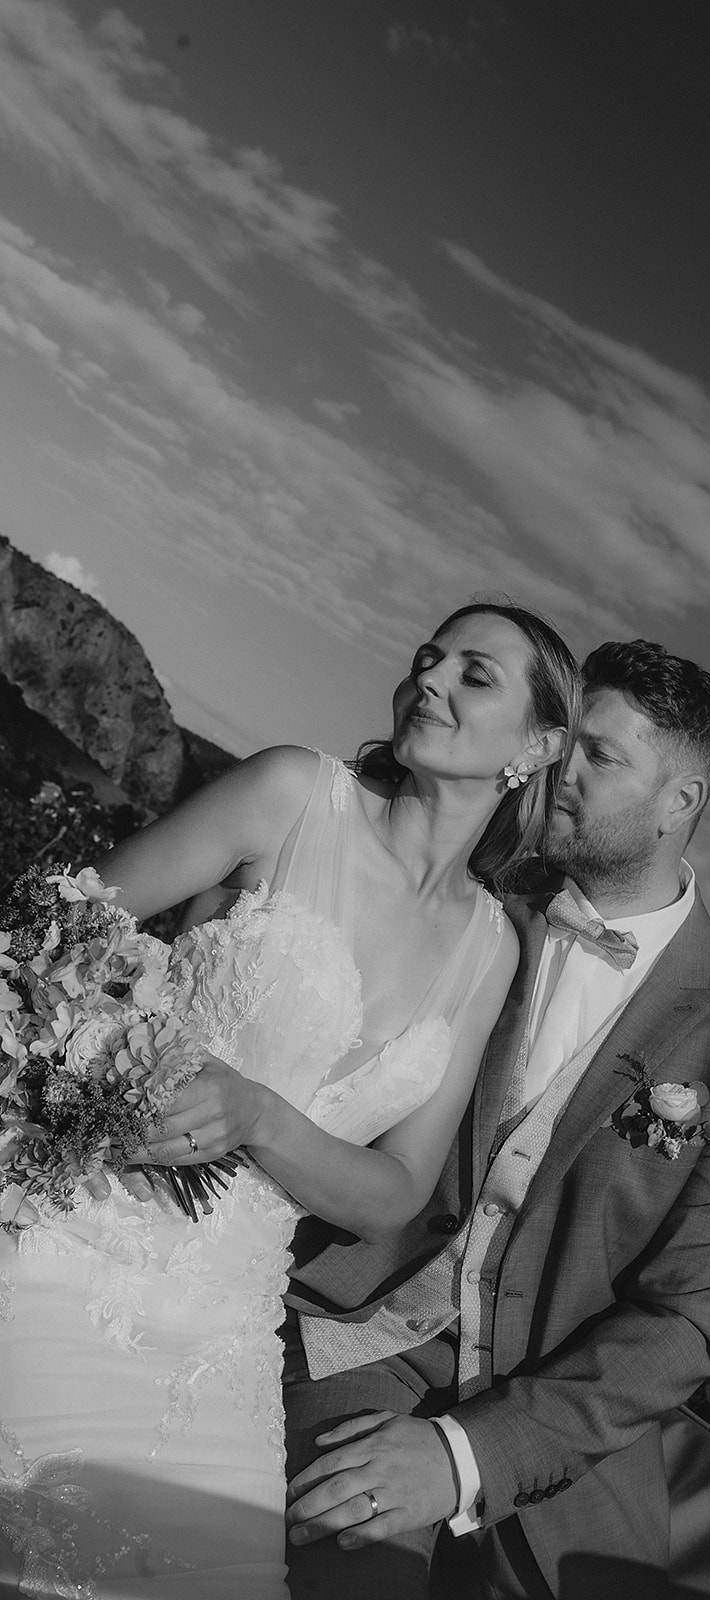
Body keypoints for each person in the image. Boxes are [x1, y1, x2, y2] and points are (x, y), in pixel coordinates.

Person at [282, 639, 710, 1599]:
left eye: (601, 757)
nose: (560, 770)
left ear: (679, 802)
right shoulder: (473, 887)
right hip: (361, 1339)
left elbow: (683, 1321)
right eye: (565, 742)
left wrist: (465, 1454)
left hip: (562, 1432)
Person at [0, 602, 581, 1600]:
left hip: (223, 1337)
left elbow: (395, 1191)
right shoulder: (292, 793)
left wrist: (262, 1117)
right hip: (73, 1243)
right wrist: (101, 1076)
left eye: (473, 674)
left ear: (537, 746)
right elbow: (43, 938)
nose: (430, 678)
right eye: (428, 657)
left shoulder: (490, 951)